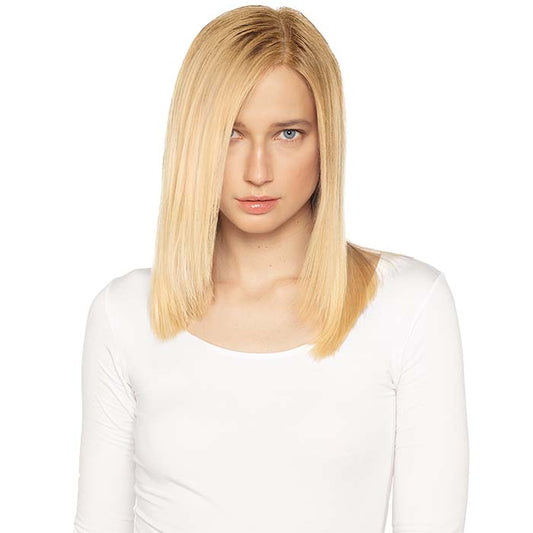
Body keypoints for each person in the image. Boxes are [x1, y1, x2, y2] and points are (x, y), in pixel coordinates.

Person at [72, 5, 469, 533]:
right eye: (231, 134)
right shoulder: (125, 315)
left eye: (287, 134)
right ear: (194, 141)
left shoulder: (406, 306)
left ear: (326, 140)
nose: (257, 171)